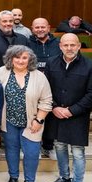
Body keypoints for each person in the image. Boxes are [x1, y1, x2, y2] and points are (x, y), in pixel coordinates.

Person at [44, 34, 92, 182]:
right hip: (56, 113)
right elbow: (46, 88)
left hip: (77, 115)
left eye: (72, 45)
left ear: (78, 46)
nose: (69, 48)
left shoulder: (91, 67)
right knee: (59, 146)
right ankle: (64, 178)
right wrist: (54, 107)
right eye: (66, 45)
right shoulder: (51, 63)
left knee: (77, 152)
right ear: (60, 46)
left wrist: (71, 110)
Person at [0, 45, 52, 182]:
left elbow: (46, 101)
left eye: (24, 58)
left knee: (32, 153)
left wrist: (39, 119)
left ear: (30, 59)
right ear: (11, 59)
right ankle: (13, 177)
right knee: (11, 150)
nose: (20, 61)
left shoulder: (39, 76)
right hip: (8, 121)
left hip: (32, 122)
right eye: (17, 57)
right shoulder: (1, 73)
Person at [26, 17, 61, 158]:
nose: (40, 30)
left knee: (51, 117)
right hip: (32, 85)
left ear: (48, 27)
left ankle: (47, 146)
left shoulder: (58, 43)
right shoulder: (27, 43)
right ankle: (31, 146)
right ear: (32, 28)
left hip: (54, 85)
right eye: (37, 27)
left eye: (43, 27)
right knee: (31, 116)